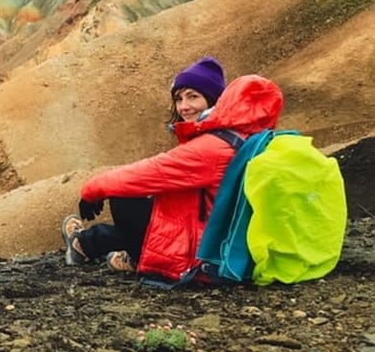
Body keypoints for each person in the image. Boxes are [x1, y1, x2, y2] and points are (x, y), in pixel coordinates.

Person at [61, 59, 283, 284]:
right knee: (161, 195)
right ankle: (93, 244)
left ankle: (94, 246)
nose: (184, 106)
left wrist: (93, 189)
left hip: (203, 261)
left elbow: (146, 173)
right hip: (229, 244)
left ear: (215, 100)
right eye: (179, 99)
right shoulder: (249, 136)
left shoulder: (211, 148)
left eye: (193, 96)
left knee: (125, 195)